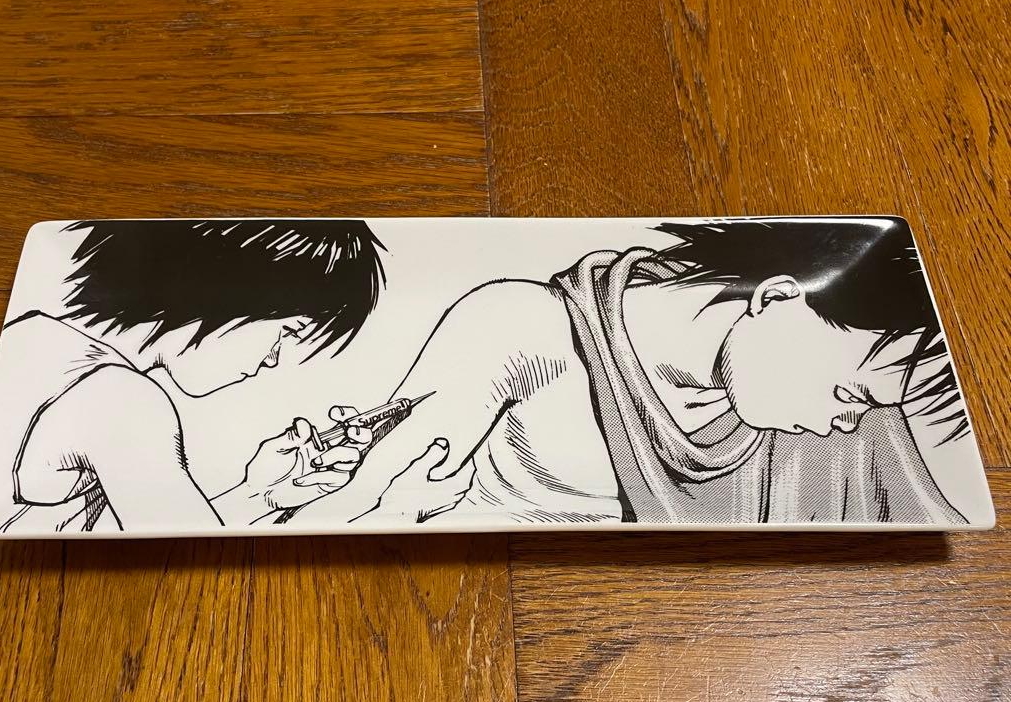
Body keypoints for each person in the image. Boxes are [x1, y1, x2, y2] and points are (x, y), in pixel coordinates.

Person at [294, 218, 968, 527]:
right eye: (849, 392)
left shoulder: (826, 429)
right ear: (777, 298)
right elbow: (363, 500)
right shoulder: (522, 330)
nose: (848, 423)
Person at [0, 219, 457, 534]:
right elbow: (190, 564)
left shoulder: (35, 336)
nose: (272, 359)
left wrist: (262, 492)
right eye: (286, 331)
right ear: (231, 294)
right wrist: (389, 504)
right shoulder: (124, 401)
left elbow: (166, 529)